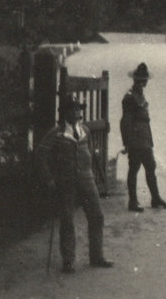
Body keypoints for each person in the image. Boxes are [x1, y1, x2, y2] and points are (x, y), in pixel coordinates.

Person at [36, 97, 114, 274]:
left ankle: (97, 257)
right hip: (66, 182)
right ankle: (69, 261)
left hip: (87, 181)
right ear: (65, 114)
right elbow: (40, 155)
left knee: (97, 216)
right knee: (67, 220)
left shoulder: (85, 130)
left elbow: (91, 153)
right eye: (72, 110)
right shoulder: (56, 133)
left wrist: (92, 175)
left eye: (79, 110)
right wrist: (49, 179)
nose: (77, 113)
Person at [120, 62, 166, 212]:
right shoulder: (130, 97)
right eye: (143, 79)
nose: (145, 81)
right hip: (136, 139)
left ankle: (155, 198)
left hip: (144, 137)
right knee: (134, 169)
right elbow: (125, 121)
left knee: (150, 167)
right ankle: (133, 201)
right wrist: (127, 143)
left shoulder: (139, 94)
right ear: (139, 81)